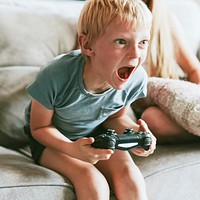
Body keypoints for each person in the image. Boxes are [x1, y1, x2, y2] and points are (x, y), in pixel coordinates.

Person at [24, 0, 156, 200]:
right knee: (91, 180)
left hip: (95, 134)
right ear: (87, 45)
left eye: (143, 42)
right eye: (121, 41)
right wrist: (72, 149)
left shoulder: (136, 79)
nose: (136, 53)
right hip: (52, 141)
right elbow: (39, 129)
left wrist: (135, 135)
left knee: (130, 174)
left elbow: (114, 118)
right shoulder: (55, 75)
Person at [131, 0, 200, 144]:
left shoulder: (163, 20)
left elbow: (193, 69)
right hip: (142, 102)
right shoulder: (108, 17)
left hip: (171, 93)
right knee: (151, 119)